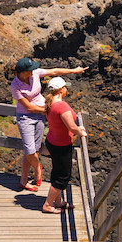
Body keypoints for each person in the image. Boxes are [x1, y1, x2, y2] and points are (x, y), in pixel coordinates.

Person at [10, 57, 87, 191]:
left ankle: (23, 181)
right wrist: (49, 110)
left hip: (41, 115)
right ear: (24, 72)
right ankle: (37, 169)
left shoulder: (35, 73)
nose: (34, 70)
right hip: (26, 117)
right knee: (29, 150)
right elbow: (28, 107)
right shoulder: (15, 85)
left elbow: (54, 71)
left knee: (35, 148)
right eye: (31, 69)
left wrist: (74, 71)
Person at [42, 76, 87, 214]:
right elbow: (72, 127)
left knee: (57, 171)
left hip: (52, 141)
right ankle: (48, 205)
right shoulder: (61, 105)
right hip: (61, 145)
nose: (66, 89)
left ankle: (58, 201)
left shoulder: (50, 103)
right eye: (65, 87)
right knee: (62, 176)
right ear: (61, 90)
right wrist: (81, 131)